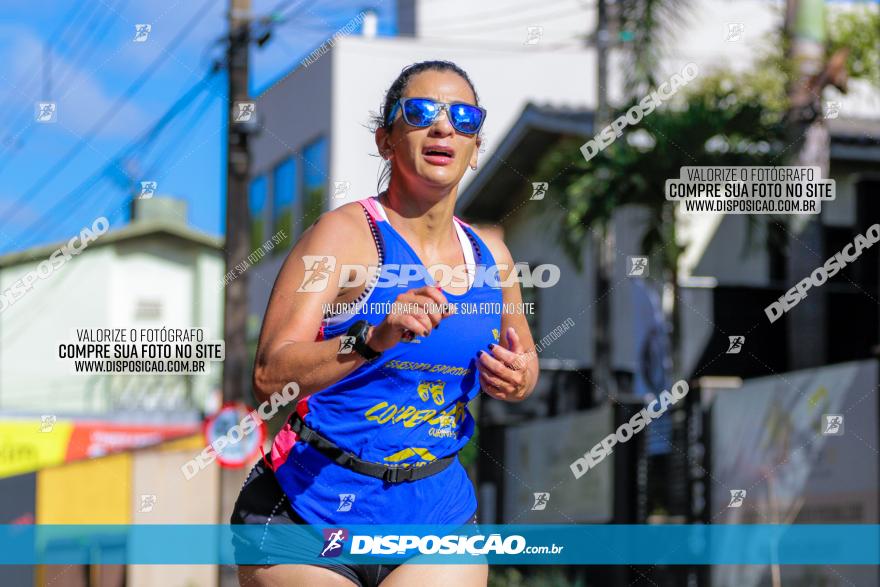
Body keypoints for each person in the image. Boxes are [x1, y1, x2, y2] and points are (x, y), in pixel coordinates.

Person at [232, 59, 539, 587]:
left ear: (475, 146)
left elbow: (527, 361)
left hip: (434, 515)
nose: (444, 127)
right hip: (309, 512)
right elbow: (269, 373)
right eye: (421, 113)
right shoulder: (343, 237)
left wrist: (517, 377)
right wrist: (371, 339)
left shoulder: (494, 257)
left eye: (463, 117)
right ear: (386, 140)